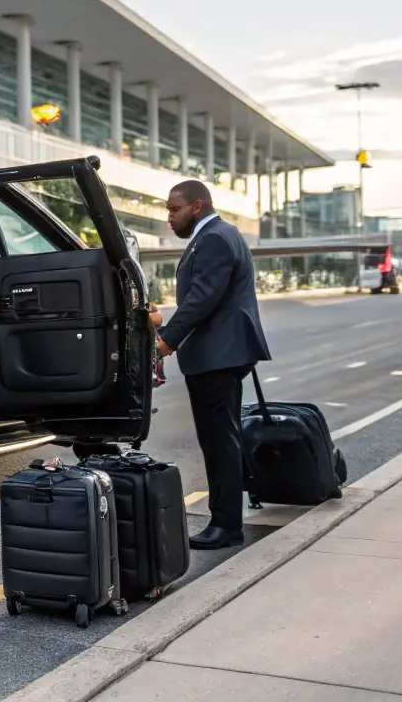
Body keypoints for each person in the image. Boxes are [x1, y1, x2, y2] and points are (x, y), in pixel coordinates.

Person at [155, 179, 271, 550]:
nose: (169, 217)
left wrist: (166, 341)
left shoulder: (215, 239)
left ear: (197, 207)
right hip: (219, 354)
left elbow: (203, 298)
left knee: (219, 440)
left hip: (217, 356)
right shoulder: (217, 236)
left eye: (174, 209)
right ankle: (226, 520)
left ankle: (226, 526)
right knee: (222, 437)